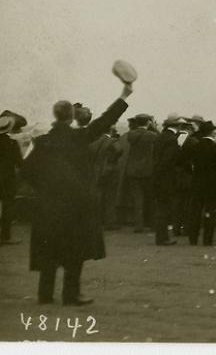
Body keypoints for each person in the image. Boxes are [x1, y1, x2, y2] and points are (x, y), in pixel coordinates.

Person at [21, 80, 132, 305]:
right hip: (77, 203)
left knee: (49, 247)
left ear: (55, 115)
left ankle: (45, 293)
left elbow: (26, 171)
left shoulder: (42, 142)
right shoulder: (79, 137)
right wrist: (124, 96)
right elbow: (104, 121)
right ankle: (71, 294)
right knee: (75, 249)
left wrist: (44, 188)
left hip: (49, 203)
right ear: (71, 117)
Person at [188, 120, 216, 246]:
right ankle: (207, 239)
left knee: (195, 211)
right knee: (210, 212)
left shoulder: (195, 146)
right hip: (212, 184)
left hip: (197, 183)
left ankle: (193, 238)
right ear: (211, 132)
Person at [152, 114, 185, 245]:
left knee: (161, 207)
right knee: (164, 208)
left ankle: (160, 236)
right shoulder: (172, 140)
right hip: (166, 177)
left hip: (158, 176)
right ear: (177, 126)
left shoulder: (160, 137)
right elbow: (169, 160)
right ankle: (162, 238)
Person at [123, 114, 157, 233]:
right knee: (150, 197)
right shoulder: (152, 135)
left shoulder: (131, 134)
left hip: (133, 169)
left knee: (137, 198)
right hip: (148, 169)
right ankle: (152, 223)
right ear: (148, 122)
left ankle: (139, 225)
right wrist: (153, 126)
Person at [0, 114, 24, 244]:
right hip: (7, 179)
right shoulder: (12, 143)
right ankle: (5, 236)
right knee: (8, 206)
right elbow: (19, 163)